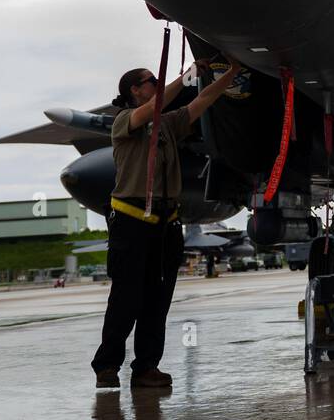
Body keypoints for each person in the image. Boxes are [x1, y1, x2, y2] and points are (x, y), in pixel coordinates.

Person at [92, 57, 241, 389]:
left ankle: (146, 367)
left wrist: (230, 74)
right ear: (134, 90)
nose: (156, 86)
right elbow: (152, 109)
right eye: (150, 82)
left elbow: (203, 101)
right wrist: (188, 75)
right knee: (125, 300)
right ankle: (107, 366)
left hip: (164, 224)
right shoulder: (123, 121)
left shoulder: (169, 124)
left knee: (157, 302)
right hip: (132, 222)